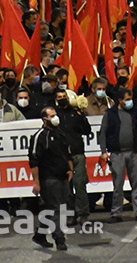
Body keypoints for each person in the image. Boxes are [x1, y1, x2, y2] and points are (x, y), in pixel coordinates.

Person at [100, 89, 137, 222]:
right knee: (118, 184)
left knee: (136, 183)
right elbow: (103, 133)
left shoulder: (134, 111)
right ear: (120, 100)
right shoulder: (110, 113)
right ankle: (116, 213)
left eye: (130, 99)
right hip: (117, 154)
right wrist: (103, 151)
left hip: (134, 152)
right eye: (127, 99)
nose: (129, 102)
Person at [29, 107, 73, 251]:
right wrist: (37, 183)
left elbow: (67, 153)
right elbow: (34, 161)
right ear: (44, 119)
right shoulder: (40, 136)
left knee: (55, 208)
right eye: (52, 116)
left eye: (56, 115)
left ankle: (40, 235)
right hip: (49, 178)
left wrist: (70, 169)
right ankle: (59, 239)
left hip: (63, 177)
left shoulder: (60, 133)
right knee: (55, 209)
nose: (56, 118)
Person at [53, 89, 91, 224]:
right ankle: (70, 215)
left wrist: (81, 116)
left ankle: (83, 213)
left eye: (64, 97)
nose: (62, 99)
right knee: (66, 187)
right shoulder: (54, 115)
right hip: (62, 156)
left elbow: (87, 131)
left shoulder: (75, 113)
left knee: (80, 184)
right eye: (59, 97)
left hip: (77, 154)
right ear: (56, 99)